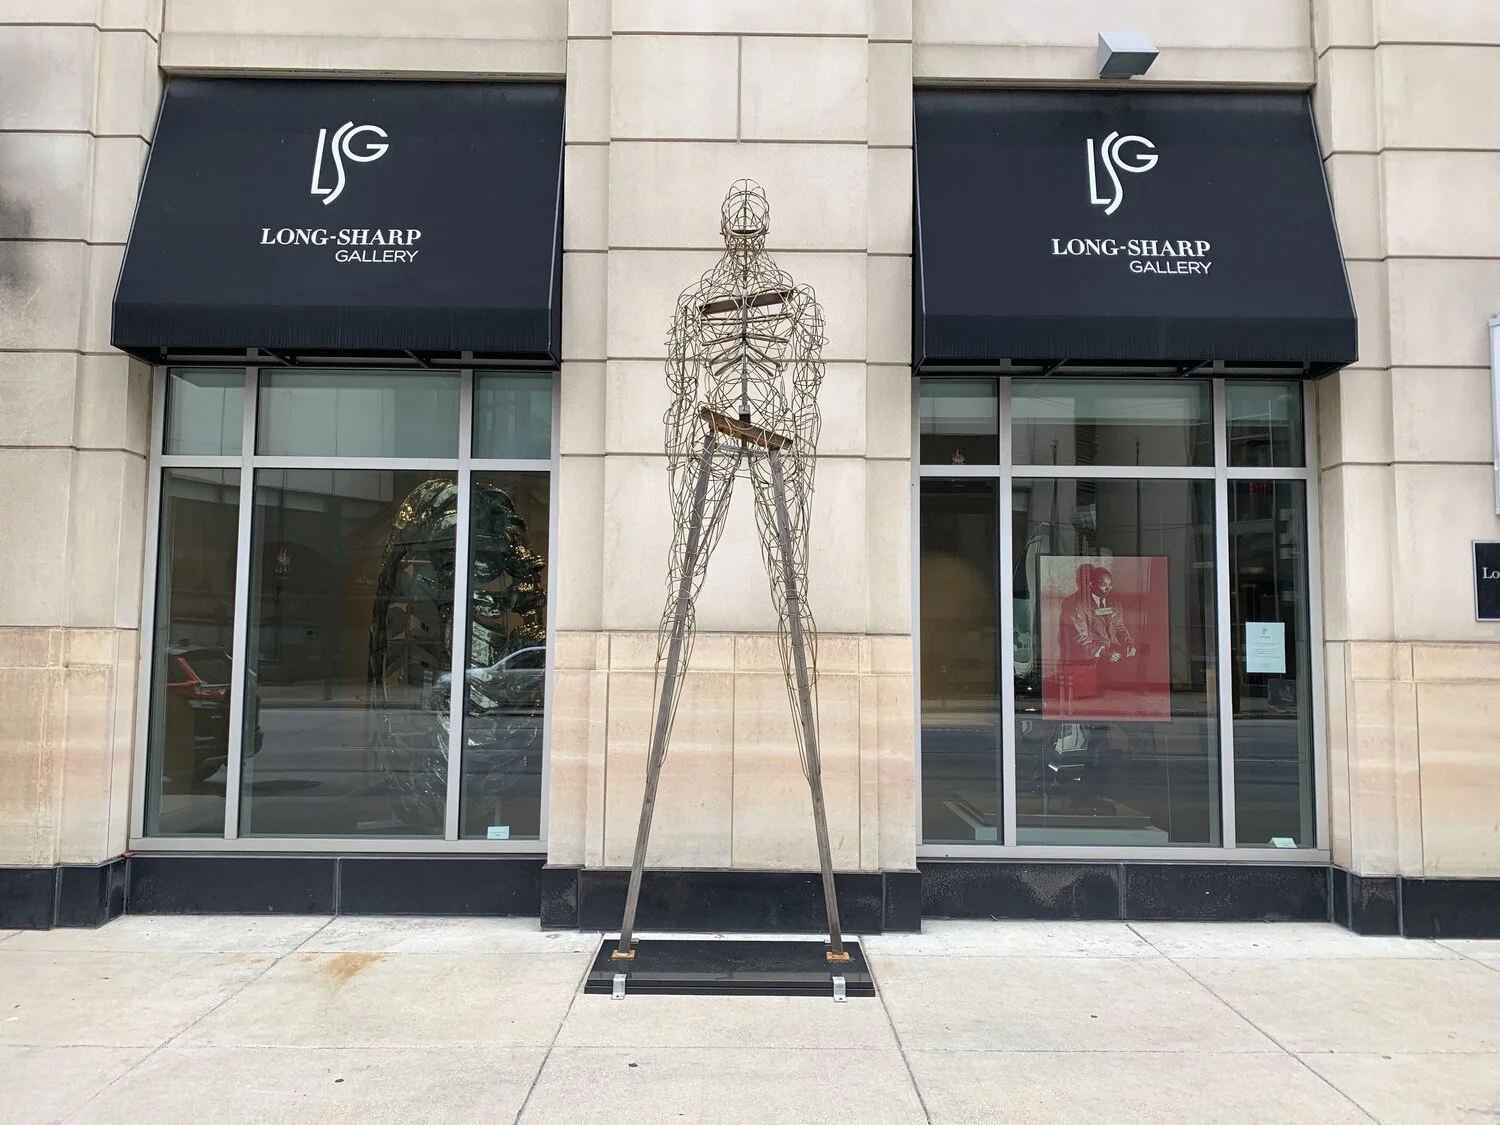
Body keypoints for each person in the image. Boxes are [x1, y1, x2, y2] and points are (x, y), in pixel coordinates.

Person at [1059, 562, 1137, 698]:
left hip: (1113, 655)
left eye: (1110, 584)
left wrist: (1128, 642)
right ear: (1091, 584)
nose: (1108, 588)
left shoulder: (1114, 602)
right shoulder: (1076, 604)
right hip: (1090, 658)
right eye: (1103, 584)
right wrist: (1104, 653)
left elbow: (1120, 627)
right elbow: (1080, 638)